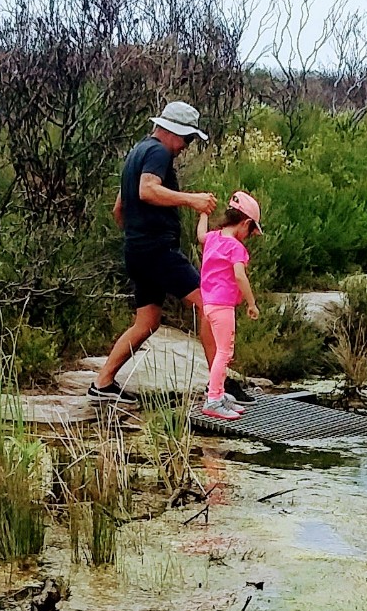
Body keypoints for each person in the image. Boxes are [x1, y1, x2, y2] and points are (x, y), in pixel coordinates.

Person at [89, 100, 227, 402]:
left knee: (147, 322)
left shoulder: (136, 152)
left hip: (138, 250)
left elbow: (119, 207)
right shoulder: (158, 151)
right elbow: (146, 190)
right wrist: (192, 200)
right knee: (209, 304)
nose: (186, 147)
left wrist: (138, 233)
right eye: (188, 139)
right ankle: (219, 388)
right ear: (174, 132)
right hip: (156, 250)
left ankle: (102, 383)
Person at [195, 191, 262, 420]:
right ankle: (213, 399)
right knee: (224, 352)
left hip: (209, 303)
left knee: (221, 352)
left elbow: (201, 235)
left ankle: (220, 393)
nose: (248, 237)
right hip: (223, 306)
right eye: (250, 232)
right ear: (245, 223)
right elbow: (240, 277)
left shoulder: (214, 238)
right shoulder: (236, 248)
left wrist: (203, 213)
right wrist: (251, 303)